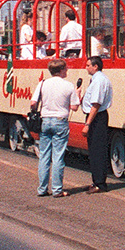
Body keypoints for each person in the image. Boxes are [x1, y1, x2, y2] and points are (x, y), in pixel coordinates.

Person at [31, 59, 79, 197]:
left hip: (45, 121)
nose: (67, 71)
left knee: (44, 156)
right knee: (58, 157)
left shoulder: (43, 83)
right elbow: (74, 107)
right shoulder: (69, 86)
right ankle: (57, 190)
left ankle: (42, 189)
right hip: (60, 122)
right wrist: (78, 95)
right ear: (61, 70)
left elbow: (33, 103)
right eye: (66, 69)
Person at [80, 55, 112, 192]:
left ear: (95, 66)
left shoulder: (99, 81)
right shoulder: (97, 79)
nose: (86, 68)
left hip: (97, 117)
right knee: (94, 150)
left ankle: (100, 183)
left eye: (88, 65)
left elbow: (96, 104)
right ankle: (96, 181)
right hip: (96, 116)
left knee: (97, 150)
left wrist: (87, 124)